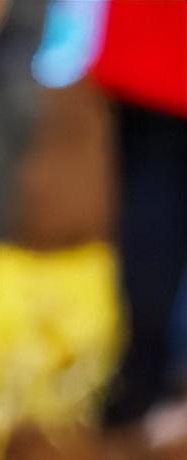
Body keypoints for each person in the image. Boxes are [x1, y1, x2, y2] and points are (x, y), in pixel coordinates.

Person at [92, 0, 187, 425]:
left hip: (145, 48)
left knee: (148, 210)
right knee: (153, 213)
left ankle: (141, 378)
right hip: (150, 50)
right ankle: (160, 375)